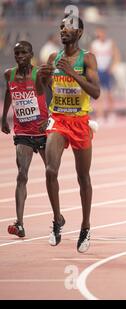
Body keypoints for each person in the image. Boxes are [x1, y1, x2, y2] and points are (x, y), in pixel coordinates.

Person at [39, 15, 100, 253]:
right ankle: (57, 220)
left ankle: (85, 227)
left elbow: (96, 92)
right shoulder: (53, 58)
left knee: (83, 177)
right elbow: (45, 89)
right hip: (59, 120)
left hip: (80, 122)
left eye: (70, 27)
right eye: (61, 26)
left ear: (80, 33)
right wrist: (43, 79)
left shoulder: (88, 59)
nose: (64, 30)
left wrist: (73, 73)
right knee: (50, 170)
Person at [1, 41, 49, 238]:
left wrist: (50, 119)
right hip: (22, 132)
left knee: (51, 173)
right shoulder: (8, 74)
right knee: (22, 175)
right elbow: (9, 93)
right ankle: (19, 223)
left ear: (31, 54)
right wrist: (4, 117)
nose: (19, 56)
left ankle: (57, 217)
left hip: (42, 131)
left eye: (23, 52)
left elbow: (54, 93)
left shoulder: (40, 73)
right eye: (16, 53)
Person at [89, 26, 120, 123]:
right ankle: (100, 116)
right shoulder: (94, 44)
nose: (101, 34)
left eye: (102, 32)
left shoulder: (110, 43)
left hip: (107, 71)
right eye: (99, 33)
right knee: (99, 95)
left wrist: (112, 67)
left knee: (110, 94)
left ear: (104, 33)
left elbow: (116, 56)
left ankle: (111, 114)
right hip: (98, 71)